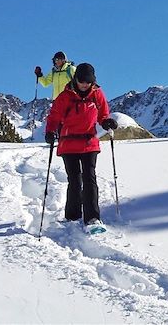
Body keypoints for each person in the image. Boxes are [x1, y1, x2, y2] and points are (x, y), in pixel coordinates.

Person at [44, 63, 117, 227]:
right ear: (76, 79)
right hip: (68, 143)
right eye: (81, 81)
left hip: (89, 142)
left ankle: (92, 217)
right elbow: (54, 116)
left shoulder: (97, 94)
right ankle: (72, 216)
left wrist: (106, 122)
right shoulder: (65, 96)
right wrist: (50, 132)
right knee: (75, 180)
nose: (84, 85)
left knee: (89, 178)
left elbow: (103, 114)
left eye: (88, 82)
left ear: (93, 81)